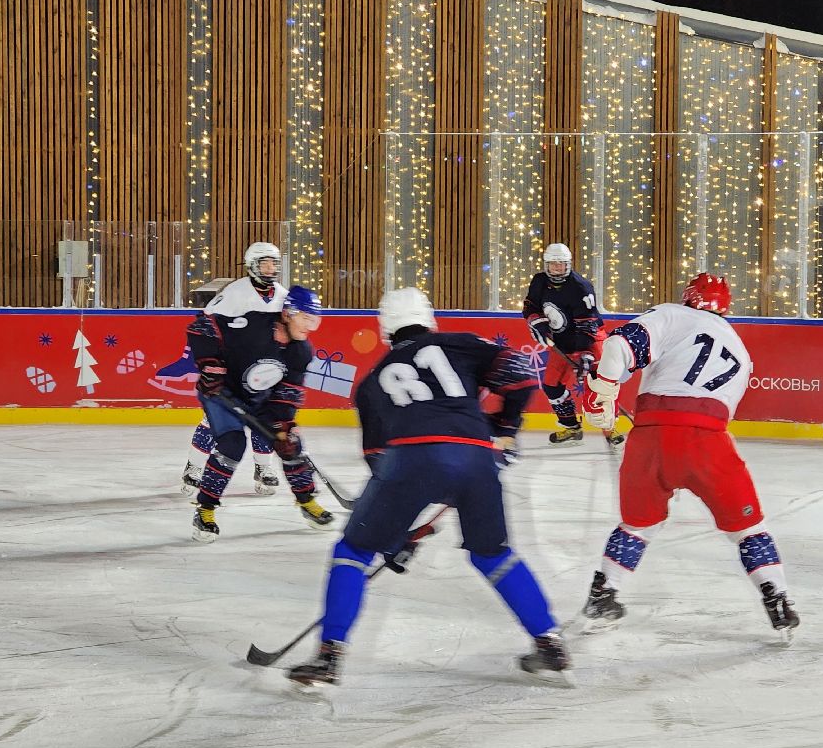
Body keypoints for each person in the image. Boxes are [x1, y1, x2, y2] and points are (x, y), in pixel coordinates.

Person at [287, 287, 571, 688]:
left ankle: (329, 654)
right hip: (475, 459)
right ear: (429, 319)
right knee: (493, 554)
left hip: (410, 460)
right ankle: (550, 642)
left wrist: (395, 535)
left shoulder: (370, 385)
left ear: (385, 330)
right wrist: (504, 432)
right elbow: (522, 376)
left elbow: (381, 465)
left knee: (352, 550)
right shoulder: (462, 343)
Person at [577, 272, 800, 640]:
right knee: (748, 529)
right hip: (708, 441)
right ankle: (775, 595)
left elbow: (618, 346)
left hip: (651, 437)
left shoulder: (671, 314)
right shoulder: (742, 353)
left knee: (638, 525)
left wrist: (603, 392)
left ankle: (604, 593)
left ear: (688, 296)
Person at [185, 284, 334, 541]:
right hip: (221, 395)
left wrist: (284, 425)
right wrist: (209, 366)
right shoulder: (252, 324)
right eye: (306, 318)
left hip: (259, 400)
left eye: (315, 321)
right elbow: (201, 328)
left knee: (291, 443)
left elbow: (288, 392)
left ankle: (307, 501)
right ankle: (205, 510)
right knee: (232, 445)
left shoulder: (301, 351)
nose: (310, 326)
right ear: (288, 312)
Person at [178, 242, 286, 497]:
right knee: (214, 423)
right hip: (232, 372)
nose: (271, 268)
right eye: (265, 263)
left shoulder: (282, 295)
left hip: (262, 375)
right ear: (252, 266)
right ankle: (194, 467)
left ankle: (264, 468)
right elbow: (203, 327)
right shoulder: (235, 293)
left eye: (274, 263)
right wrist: (211, 365)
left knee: (264, 422)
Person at [521, 241, 618, 446]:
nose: (558, 268)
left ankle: (610, 429)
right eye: (554, 264)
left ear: (569, 264)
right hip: (562, 341)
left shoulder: (581, 287)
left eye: (562, 264)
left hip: (590, 340)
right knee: (551, 386)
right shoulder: (539, 282)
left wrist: (586, 353)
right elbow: (530, 306)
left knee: (600, 384)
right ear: (546, 265)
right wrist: (538, 322)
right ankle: (571, 427)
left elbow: (588, 324)